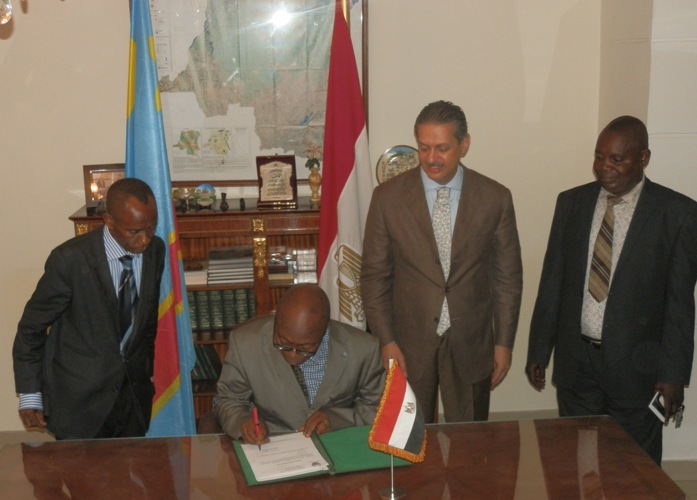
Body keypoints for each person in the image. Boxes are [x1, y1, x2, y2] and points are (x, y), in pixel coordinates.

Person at [526, 115, 697, 464]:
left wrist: (673, 374)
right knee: (578, 461)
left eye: (617, 160)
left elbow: (680, 303)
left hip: (638, 369)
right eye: (599, 157)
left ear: (644, 158)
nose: (605, 168)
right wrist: (539, 350)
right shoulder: (571, 204)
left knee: (634, 465)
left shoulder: (677, 214)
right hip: (578, 365)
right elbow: (553, 282)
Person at [361, 100, 523, 423]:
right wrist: (386, 340)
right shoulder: (387, 199)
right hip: (408, 342)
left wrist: (504, 342)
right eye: (423, 148)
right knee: (410, 440)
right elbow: (374, 277)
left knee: (471, 444)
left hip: (471, 340)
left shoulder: (496, 197)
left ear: (464, 144)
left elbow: (507, 279)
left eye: (442, 148)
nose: (431, 158)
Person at [13, 178, 165, 439]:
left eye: (151, 228)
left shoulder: (156, 251)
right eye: (134, 232)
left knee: (131, 478)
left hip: (132, 400)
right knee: (84, 479)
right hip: (79, 402)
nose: (145, 240)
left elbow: (147, 321)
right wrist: (30, 394)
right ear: (108, 220)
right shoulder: (70, 260)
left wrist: (146, 375)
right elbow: (31, 329)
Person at [213, 284, 384, 444]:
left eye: (305, 348)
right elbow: (229, 400)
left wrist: (336, 419)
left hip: (337, 444)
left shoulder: (363, 349)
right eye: (283, 342)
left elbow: (377, 408)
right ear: (276, 321)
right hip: (271, 445)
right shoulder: (245, 343)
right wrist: (244, 422)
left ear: (326, 329)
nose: (292, 355)